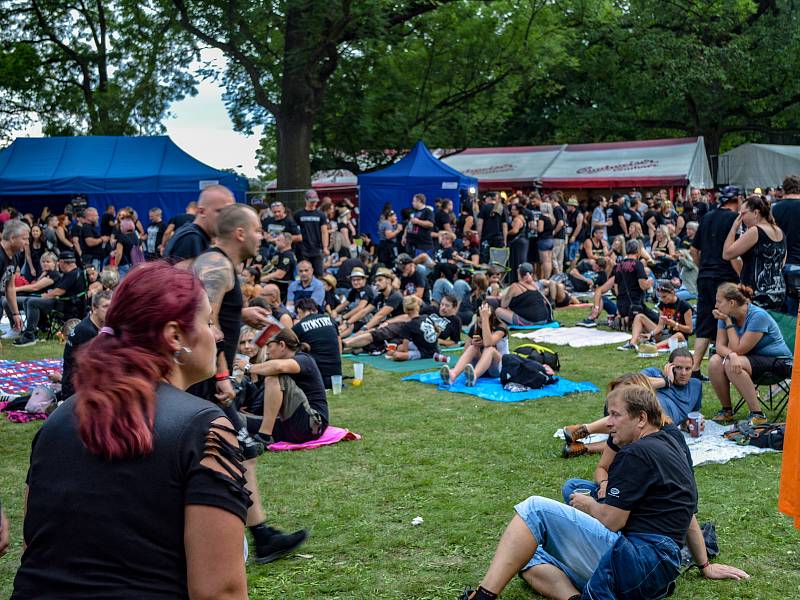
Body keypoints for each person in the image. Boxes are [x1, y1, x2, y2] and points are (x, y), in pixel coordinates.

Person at [11, 262, 250, 600]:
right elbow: (218, 592)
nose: (219, 334)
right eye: (209, 321)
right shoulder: (204, 427)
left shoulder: (59, 419)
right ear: (175, 336)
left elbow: (36, 551)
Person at [460, 385, 699, 600]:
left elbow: (612, 521)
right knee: (525, 553)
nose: (608, 423)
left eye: (615, 415)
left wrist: (588, 505)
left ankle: (482, 597)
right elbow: (686, 512)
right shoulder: (671, 442)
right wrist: (704, 563)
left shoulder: (637, 453)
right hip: (659, 573)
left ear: (641, 418)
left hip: (638, 564)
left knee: (534, 510)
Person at [189, 203, 306, 565]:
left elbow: (211, 310)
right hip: (205, 377)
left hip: (207, 375)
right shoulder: (217, 265)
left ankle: (262, 536)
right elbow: (199, 318)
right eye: (257, 230)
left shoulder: (221, 266)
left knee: (242, 451)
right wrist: (222, 374)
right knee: (231, 451)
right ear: (239, 233)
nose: (262, 236)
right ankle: (251, 536)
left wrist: (240, 313)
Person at [708, 283, 793, 426]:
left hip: (779, 362)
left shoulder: (757, 316)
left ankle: (758, 414)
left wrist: (728, 323)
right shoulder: (726, 315)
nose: (716, 305)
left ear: (732, 302)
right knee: (715, 361)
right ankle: (727, 411)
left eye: (718, 301)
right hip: (751, 360)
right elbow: (719, 347)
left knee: (732, 362)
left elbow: (739, 349)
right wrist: (732, 354)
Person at [691, 186, 741, 381]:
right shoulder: (735, 220)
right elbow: (734, 254)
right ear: (736, 200)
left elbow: (694, 251)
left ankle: (694, 367)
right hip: (725, 277)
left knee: (704, 322)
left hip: (704, 277)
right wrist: (741, 277)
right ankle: (726, 366)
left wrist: (703, 268)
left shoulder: (707, 217)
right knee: (728, 320)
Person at [245, 328, 329, 444]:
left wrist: (248, 367)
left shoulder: (304, 359)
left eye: (269, 345)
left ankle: (264, 436)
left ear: (282, 345)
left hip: (312, 425)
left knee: (274, 377)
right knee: (241, 420)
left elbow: (279, 367)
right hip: (291, 423)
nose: (267, 351)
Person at [723, 194, 786, 309]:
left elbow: (727, 254)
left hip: (756, 296)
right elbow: (782, 262)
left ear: (756, 213)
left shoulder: (755, 231)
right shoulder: (779, 231)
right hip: (778, 293)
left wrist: (733, 228)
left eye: (743, 214)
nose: (741, 218)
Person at [14, 251, 85, 348]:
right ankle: (34, 331)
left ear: (63, 262)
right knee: (29, 300)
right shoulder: (73, 272)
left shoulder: (72, 274)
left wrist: (46, 296)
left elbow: (58, 292)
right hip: (64, 303)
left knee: (32, 302)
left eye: (59, 262)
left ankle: (30, 336)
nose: (58, 265)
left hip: (66, 306)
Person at [578, 240, 655, 329]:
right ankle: (627, 320)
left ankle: (596, 318)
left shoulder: (619, 266)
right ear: (638, 251)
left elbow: (616, 289)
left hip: (621, 307)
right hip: (634, 306)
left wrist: (596, 307)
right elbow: (643, 285)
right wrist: (650, 282)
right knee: (656, 319)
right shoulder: (638, 265)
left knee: (604, 299)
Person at [58, 290, 113, 402]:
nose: (110, 310)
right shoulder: (86, 331)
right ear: (94, 308)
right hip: (76, 390)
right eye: (105, 306)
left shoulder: (94, 325)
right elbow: (91, 368)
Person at [441, 302, 508, 387]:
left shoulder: (500, 328)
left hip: (498, 367)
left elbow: (488, 343)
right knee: (473, 347)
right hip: (482, 366)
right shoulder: (476, 327)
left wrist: (485, 319)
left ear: (491, 320)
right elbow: (465, 351)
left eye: (483, 322)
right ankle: (452, 375)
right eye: (479, 322)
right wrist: (473, 343)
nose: (480, 325)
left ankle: (473, 377)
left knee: (490, 349)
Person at [164, 185, 235, 261]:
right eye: (221, 211)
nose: (227, 217)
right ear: (202, 212)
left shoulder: (194, 235)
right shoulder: (191, 239)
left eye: (230, 212)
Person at [618, 281, 693, 351]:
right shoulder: (663, 304)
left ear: (672, 293)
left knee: (679, 335)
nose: (663, 300)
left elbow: (690, 330)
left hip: (679, 338)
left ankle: (653, 347)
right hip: (665, 334)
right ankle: (632, 343)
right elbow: (660, 326)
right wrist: (651, 334)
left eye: (664, 296)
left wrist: (674, 324)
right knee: (639, 317)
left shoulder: (684, 306)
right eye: (661, 297)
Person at [292, 297, 342, 389]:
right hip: (336, 376)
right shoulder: (331, 320)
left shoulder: (298, 327)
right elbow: (339, 347)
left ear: (299, 310)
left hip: (316, 379)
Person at [772, 174, 800, 314]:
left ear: (783, 189)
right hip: (797, 262)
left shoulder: (774, 209)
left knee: (783, 312)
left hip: (779, 264)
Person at [495, 262, 553, 327]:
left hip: (532, 322)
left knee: (498, 310)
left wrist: (503, 296)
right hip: (544, 319)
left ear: (519, 273)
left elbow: (503, 305)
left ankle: (523, 323)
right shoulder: (534, 285)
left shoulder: (515, 286)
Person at [294, 189, 329, 276]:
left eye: (315, 201)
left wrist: (325, 247)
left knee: (319, 273)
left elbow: (324, 232)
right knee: (304, 273)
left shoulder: (321, 214)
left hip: (317, 248)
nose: (314, 203)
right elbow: (294, 231)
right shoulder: (298, 214)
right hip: (303, 249)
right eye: (311, 201)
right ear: (305, 200)